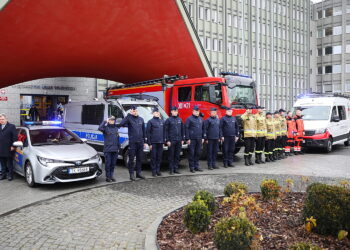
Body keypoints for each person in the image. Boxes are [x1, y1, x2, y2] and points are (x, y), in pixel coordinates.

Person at [118, 105, 147, 181]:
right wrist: (128, 116)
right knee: (131, 159)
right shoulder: (129, 118)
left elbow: (143, 131)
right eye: (133, 111)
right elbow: (121, 123)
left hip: (140, 142)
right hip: (132, 142)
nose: (135, 112)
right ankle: (131, 174)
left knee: (139, 158)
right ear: (131, 111)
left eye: (136, 110)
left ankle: (138, 173)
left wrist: (144, 142)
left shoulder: (141, 119)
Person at [98, 116, 120, 182]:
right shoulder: (105, 128)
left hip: (115, 149)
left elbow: (117, 139)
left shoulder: (116, 128)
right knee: (108, 164)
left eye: (113, 120)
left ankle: (111, 176)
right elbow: (99, 128)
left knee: (113, 164)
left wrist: (118, 147)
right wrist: (105, 121)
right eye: (110, 120)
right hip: (108, 149)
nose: (112, 121)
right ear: (108, 120)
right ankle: (108, 177)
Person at [164, 106, 184, 175]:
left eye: (176, 111)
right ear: (171, 112)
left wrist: (182, 139)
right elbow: (166, 131)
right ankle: (171, 169)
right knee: (171, 155)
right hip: (171, 140)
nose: (175, 112)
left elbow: (182, 130)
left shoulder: (180, 120)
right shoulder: (168, 120)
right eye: (174, 111)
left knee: (177, 155)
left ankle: (176, 168)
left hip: (178, 140)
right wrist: (167, 140)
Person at [146, 107, 165, 177]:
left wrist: (163, 142)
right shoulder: (150, 122)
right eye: (156, 112)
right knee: (153, 157)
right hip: (153, 143)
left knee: (159, 157)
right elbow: (148, 133)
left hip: (160, 142)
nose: (157, 113)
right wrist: (149, 143)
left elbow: (164, 132)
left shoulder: (162, 121)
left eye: (158, 112)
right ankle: (154, 171)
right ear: (153, 113)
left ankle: (158, 170)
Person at [185, 106, 204, 173]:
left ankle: (196, 166)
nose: (197, 113)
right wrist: (187, 138)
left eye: (198, 111)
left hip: (199, 139)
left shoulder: (201, 119)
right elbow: (186, 129)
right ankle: (192, 167)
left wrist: (203, 137)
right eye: (196, 111)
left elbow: (203, 128)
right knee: (192, 153)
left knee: (198, 153)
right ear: (193, 111)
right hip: (192, 139)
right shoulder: (189, 119)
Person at [0, 114, 17, 181]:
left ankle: (10, 175)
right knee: (2, 163)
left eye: (3, 119)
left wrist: (13, 145)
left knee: (9, 163)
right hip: (0, 148)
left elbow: (15, 137)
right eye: (0, 119)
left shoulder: (11, 126)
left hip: (9, 148)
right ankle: (3, 175)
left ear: (6, 119)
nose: (1, 121)